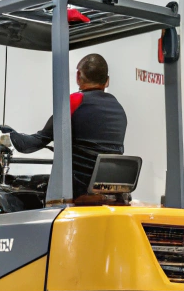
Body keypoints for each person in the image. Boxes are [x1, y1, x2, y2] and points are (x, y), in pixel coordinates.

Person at [10, 52, 127, 195]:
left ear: (78, 76)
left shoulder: (75, 101)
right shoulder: (118, 109)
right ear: (107, 81)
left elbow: (34, 142)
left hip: (77, 189)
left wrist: (8, 134)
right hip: (110, 189)